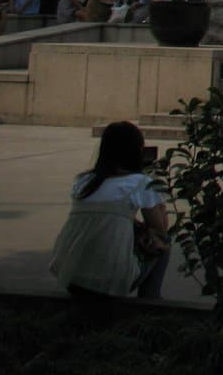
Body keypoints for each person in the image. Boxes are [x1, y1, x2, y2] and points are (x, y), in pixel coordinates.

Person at [50, 120, 170, 299]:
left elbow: (106, 216)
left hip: (70, 273)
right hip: (111, 280)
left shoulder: (83, 181)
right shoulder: (140, 183)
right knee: (164, 241)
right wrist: (158, 195)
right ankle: (150, 300)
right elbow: (160, 228)